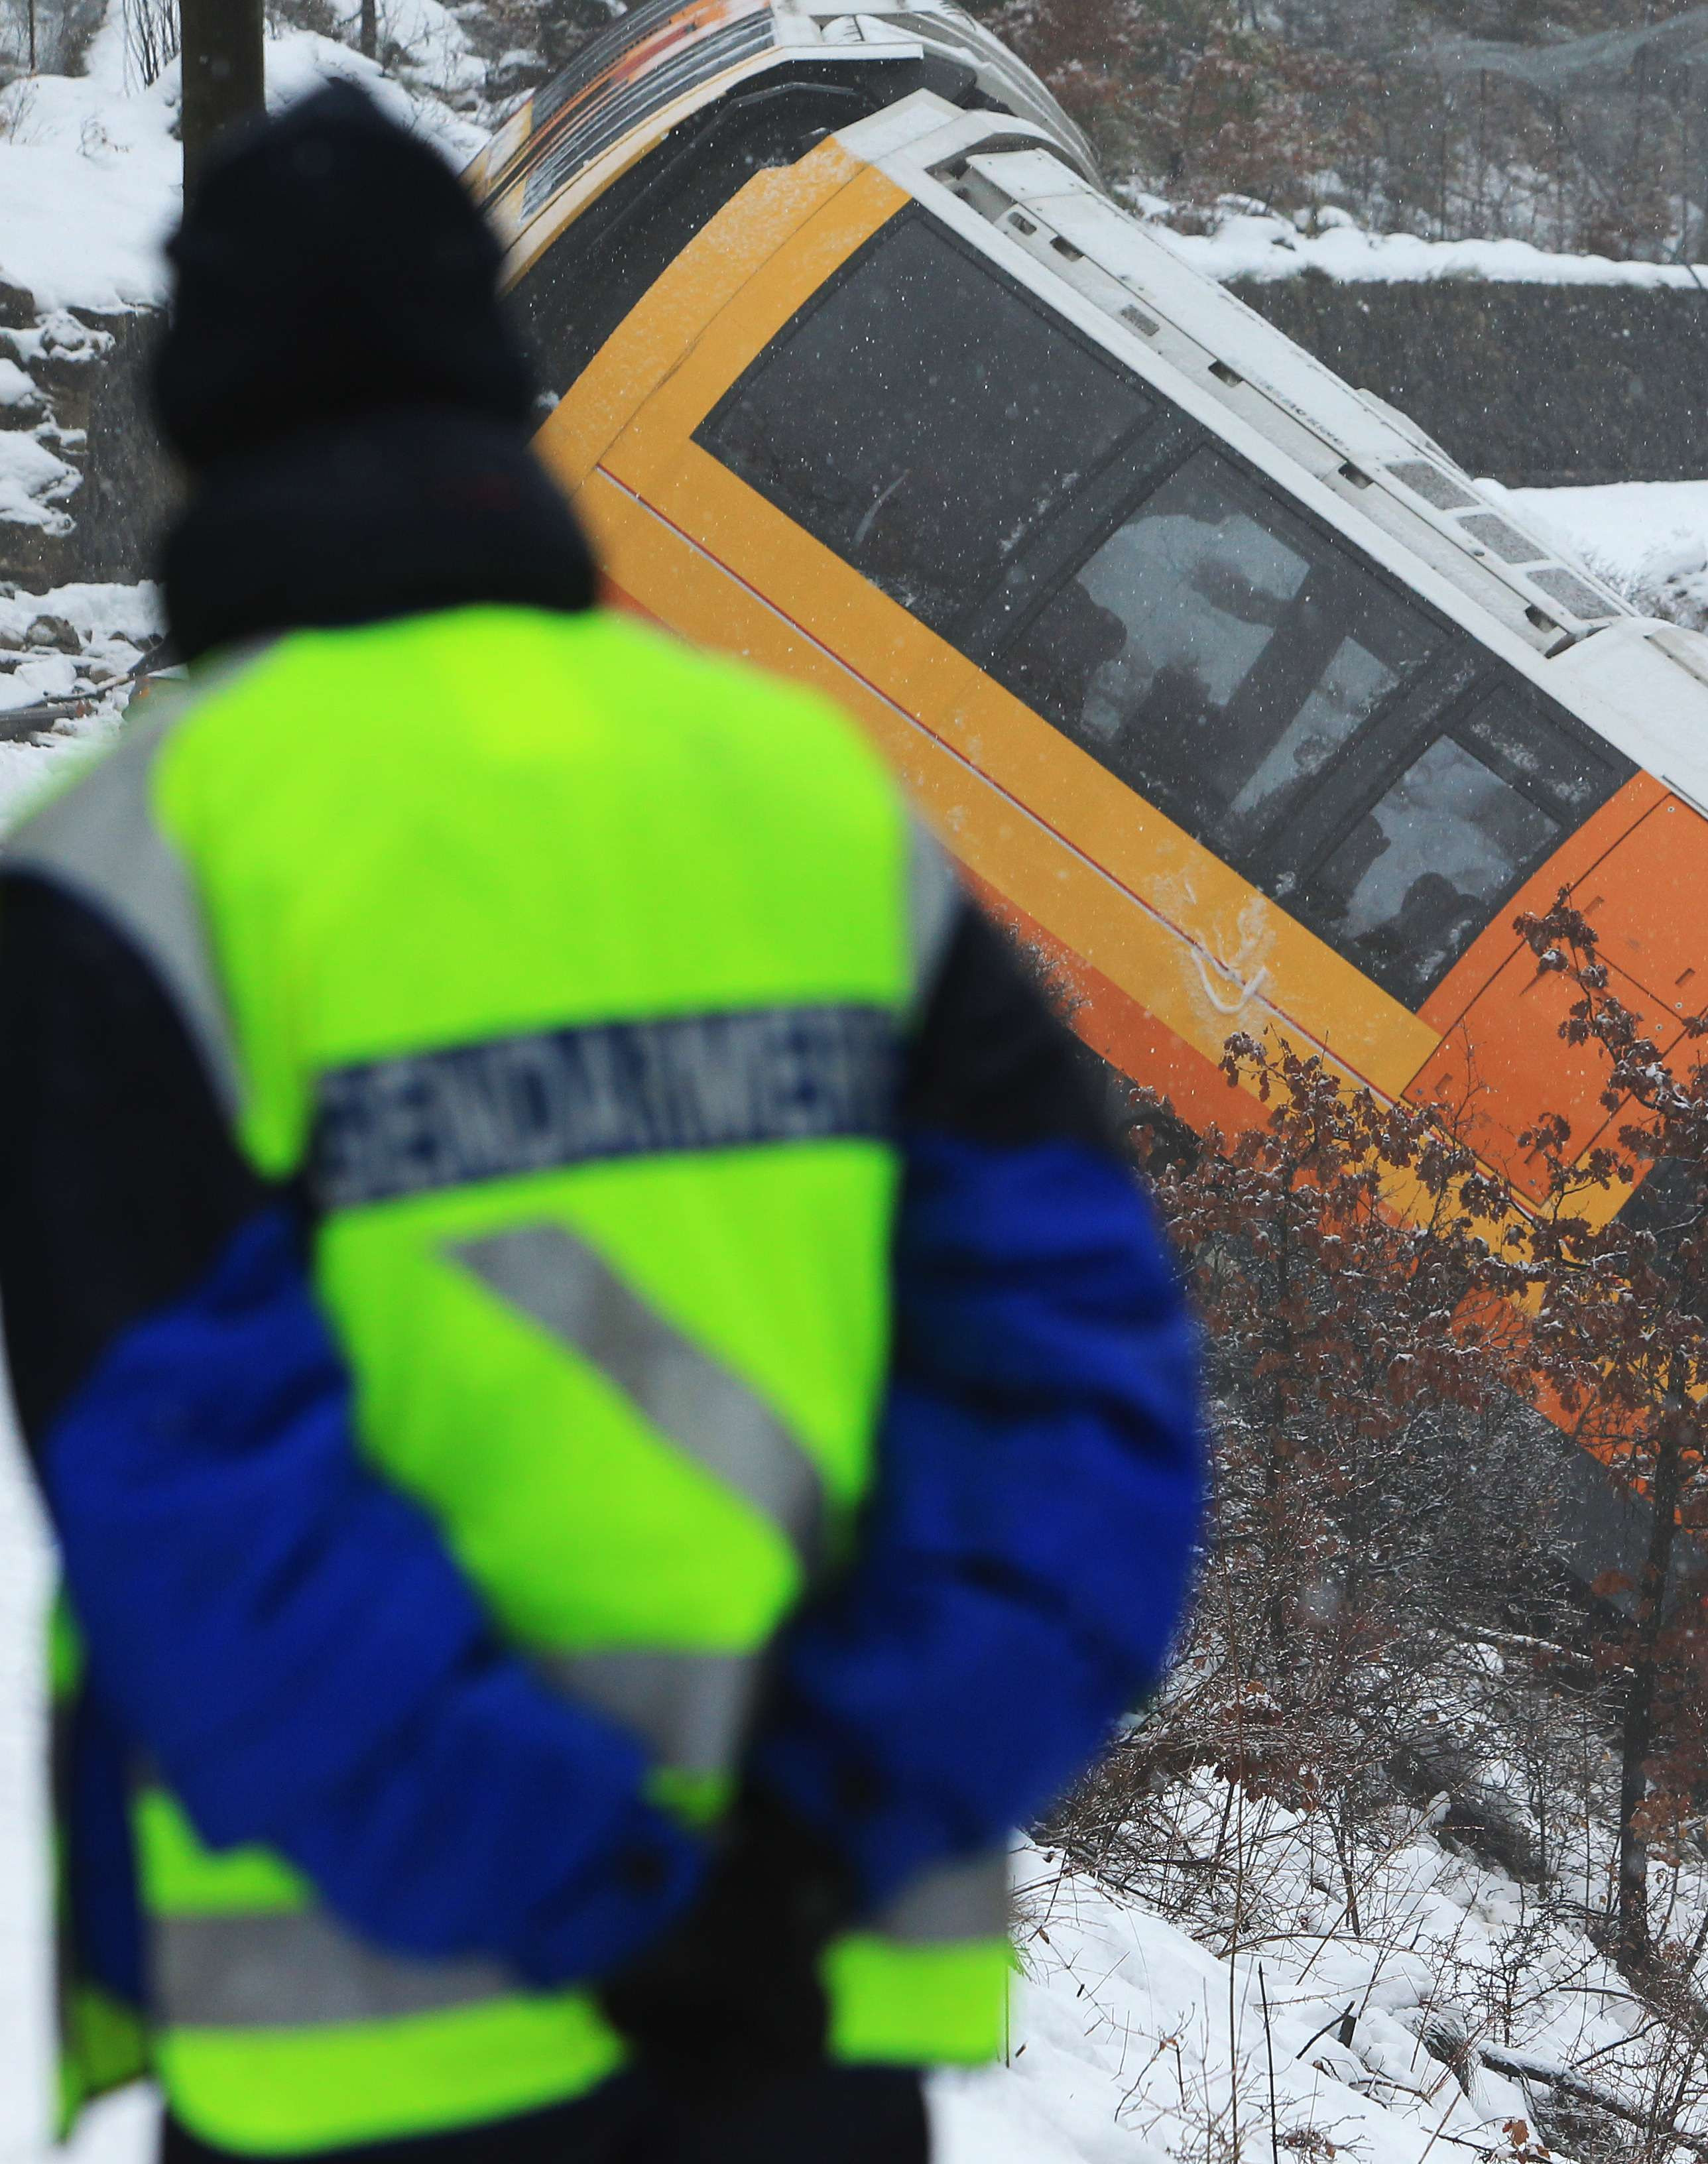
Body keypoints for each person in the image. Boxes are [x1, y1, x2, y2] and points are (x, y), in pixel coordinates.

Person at [0, 83, 1204, 2164]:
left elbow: (201, 1504)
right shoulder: (804, 805)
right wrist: (817, 1832)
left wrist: (599, 1901)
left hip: (373, 2069)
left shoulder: (118, 876)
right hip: (803, 2045)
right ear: (498, 383)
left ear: (201, 425)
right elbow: (1086, 1401)